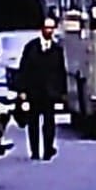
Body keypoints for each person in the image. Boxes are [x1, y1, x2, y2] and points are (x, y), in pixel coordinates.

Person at [15, 13, 67, 161]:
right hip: (34, 91)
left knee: (49, 122)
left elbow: (60, 71)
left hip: (49, 92)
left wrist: (62, 92)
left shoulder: (57, 50)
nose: (49, 31)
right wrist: (22, 90)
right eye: (46, 28)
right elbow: (23, 69)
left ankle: (48, 149)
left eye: (51, 28)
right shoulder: (31, 48)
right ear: (42, 29)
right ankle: (35, 151)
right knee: (33, 122)